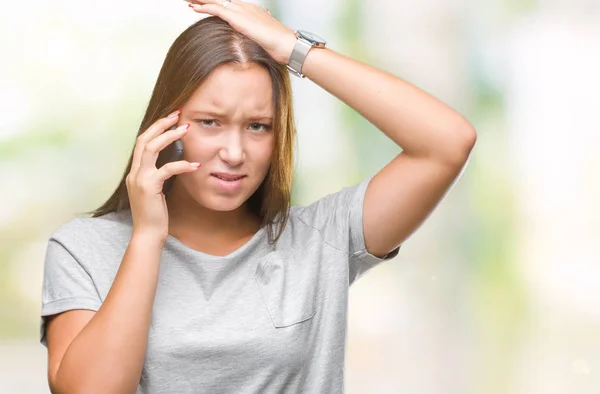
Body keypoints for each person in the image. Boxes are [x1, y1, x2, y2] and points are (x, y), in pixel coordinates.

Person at [40, 1, 477, 393]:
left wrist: (293, 48)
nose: (234, 153)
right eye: (210, 122)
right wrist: (148, 237)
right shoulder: (84, 248)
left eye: (257, 126)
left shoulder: (321, 240)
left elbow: (447, 142)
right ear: (165, 126)